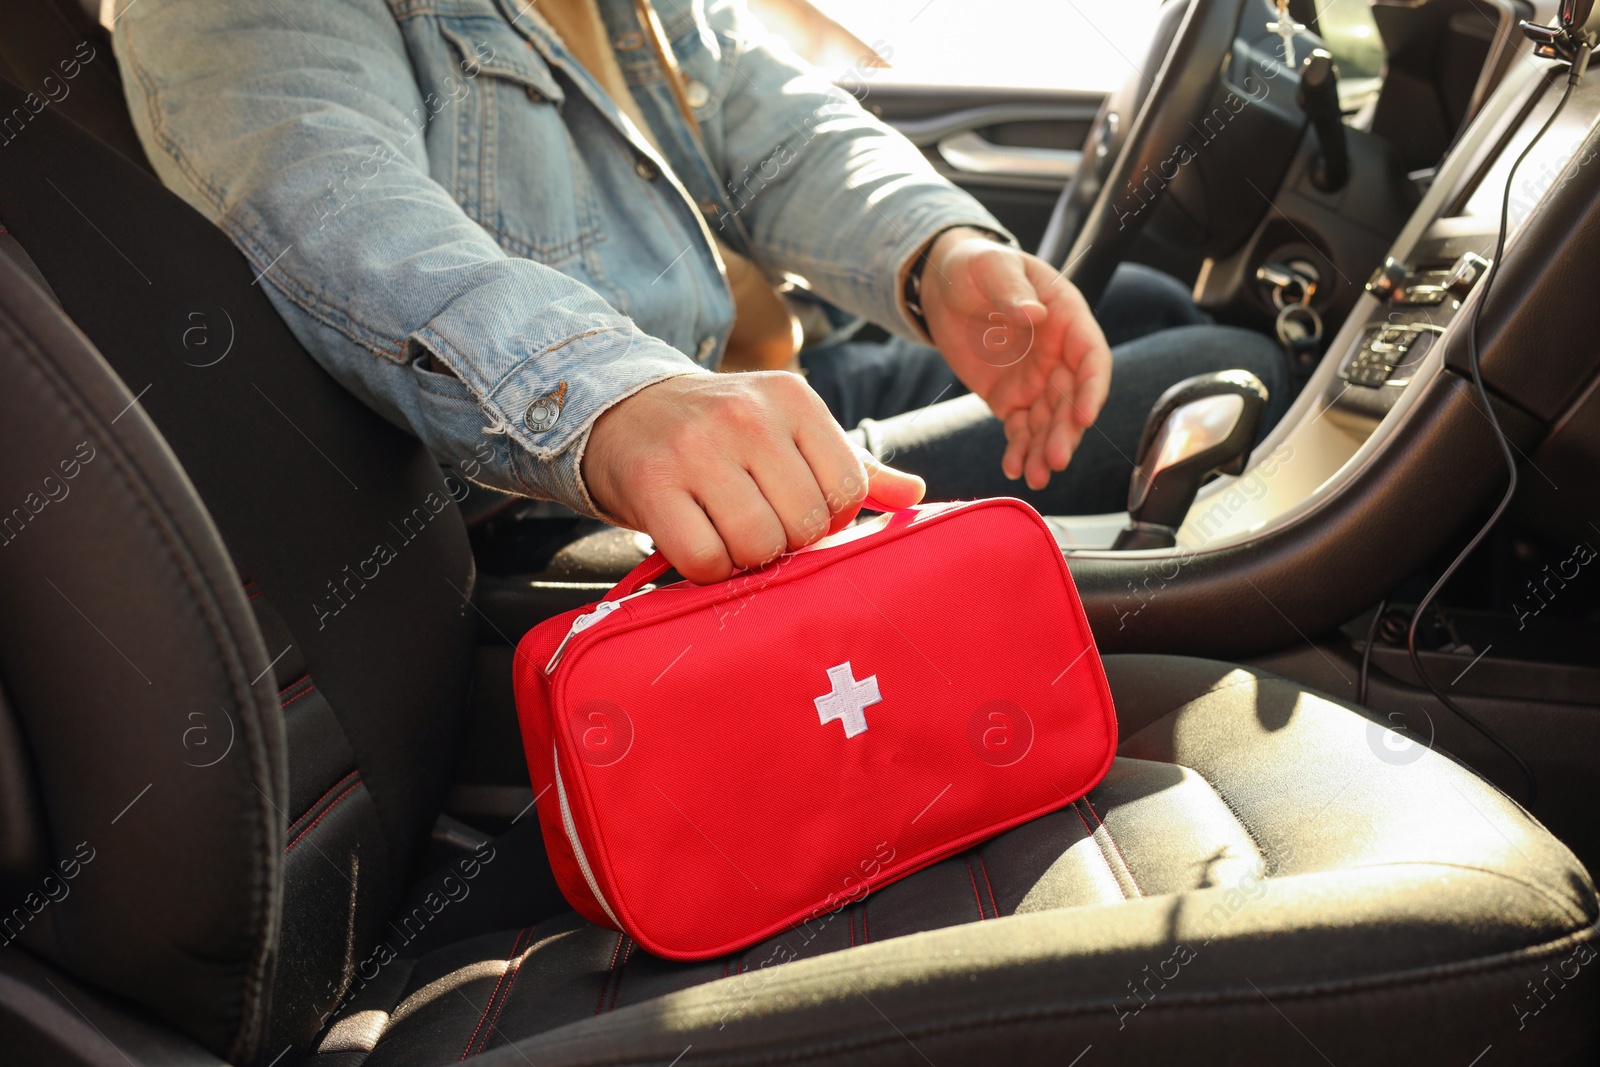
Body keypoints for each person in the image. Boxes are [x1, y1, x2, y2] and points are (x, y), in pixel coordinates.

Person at [112, 0, 1288, 583]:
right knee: (1229, 370)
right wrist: (612, 399)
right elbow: (327, 206)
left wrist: (939, 259)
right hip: (616, 490)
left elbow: (764, 116)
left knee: (1132, 306)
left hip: (762, 379)